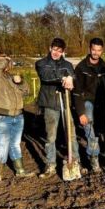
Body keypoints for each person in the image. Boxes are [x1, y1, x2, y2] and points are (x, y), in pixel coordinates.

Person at [0, 52, 35, 184]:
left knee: (15, 144)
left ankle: (20, 171)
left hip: (18, 116)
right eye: (3, 59)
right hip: (1, 117)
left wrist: (21, 82)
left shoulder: (9, 76)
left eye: (7, 59)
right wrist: (3, 60)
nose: (8, 61)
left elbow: (26, 92)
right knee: (2, 146)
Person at [35, 38, 81, 179]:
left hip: (66, 101)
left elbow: (73, 76)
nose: (56, 53)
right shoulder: (41, 63)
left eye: (60, 51)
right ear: (50, 48)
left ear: (63, 52)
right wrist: (63, 78)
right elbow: (46, 77)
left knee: (71, 134)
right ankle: (50, 165)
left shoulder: (67, 64)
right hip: (50, 103)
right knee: (51, 136)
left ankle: (76, 161)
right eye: (55, 49)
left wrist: (71, 79)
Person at [73, 37, 105, 173]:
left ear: (102, 51)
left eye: (98, 50)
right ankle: (94, 156)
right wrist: (81, 112)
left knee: (101, 131)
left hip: (102, 103)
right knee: (90, 127)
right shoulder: (81, 68)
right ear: (89, 49)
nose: (96, 53)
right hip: (87, 102)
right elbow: (77, 92)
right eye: (93, 50)